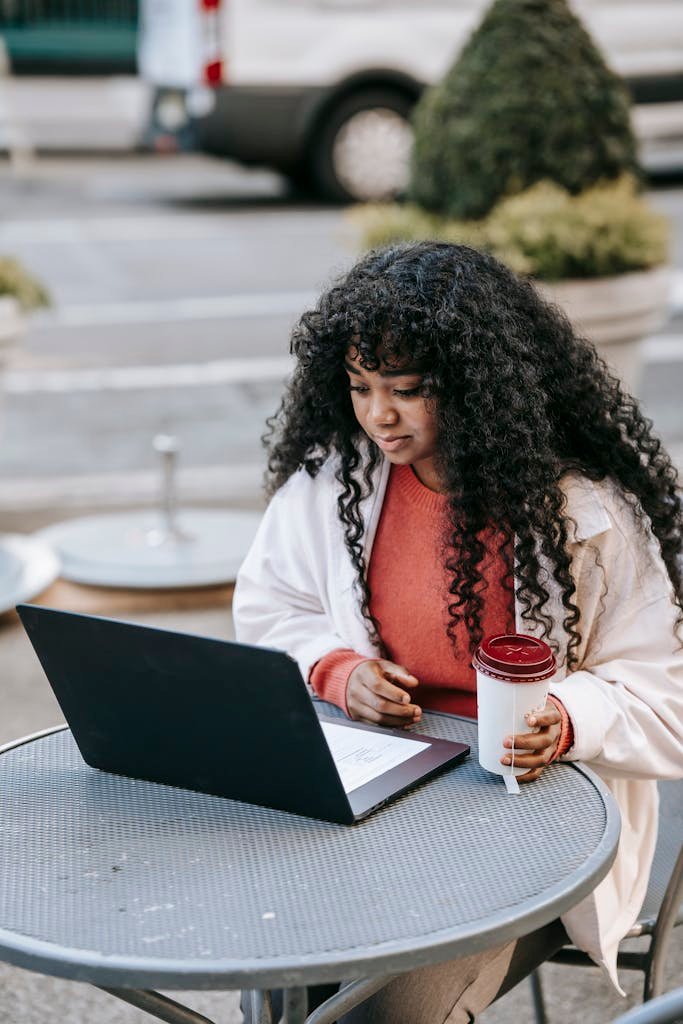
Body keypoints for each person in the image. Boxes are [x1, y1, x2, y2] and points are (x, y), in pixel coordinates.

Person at [234, 241, 683, 1023]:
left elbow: (664, 697)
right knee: (278, 960)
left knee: (383, 1013)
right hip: (375, 783)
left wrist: (568, 719)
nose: (377, 415)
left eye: (405, 390)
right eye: (359, 387)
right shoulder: (332, 480)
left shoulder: (587, 515)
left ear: (475, 386)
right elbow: (269, 608)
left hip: (529, 815)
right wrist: (336, 669)